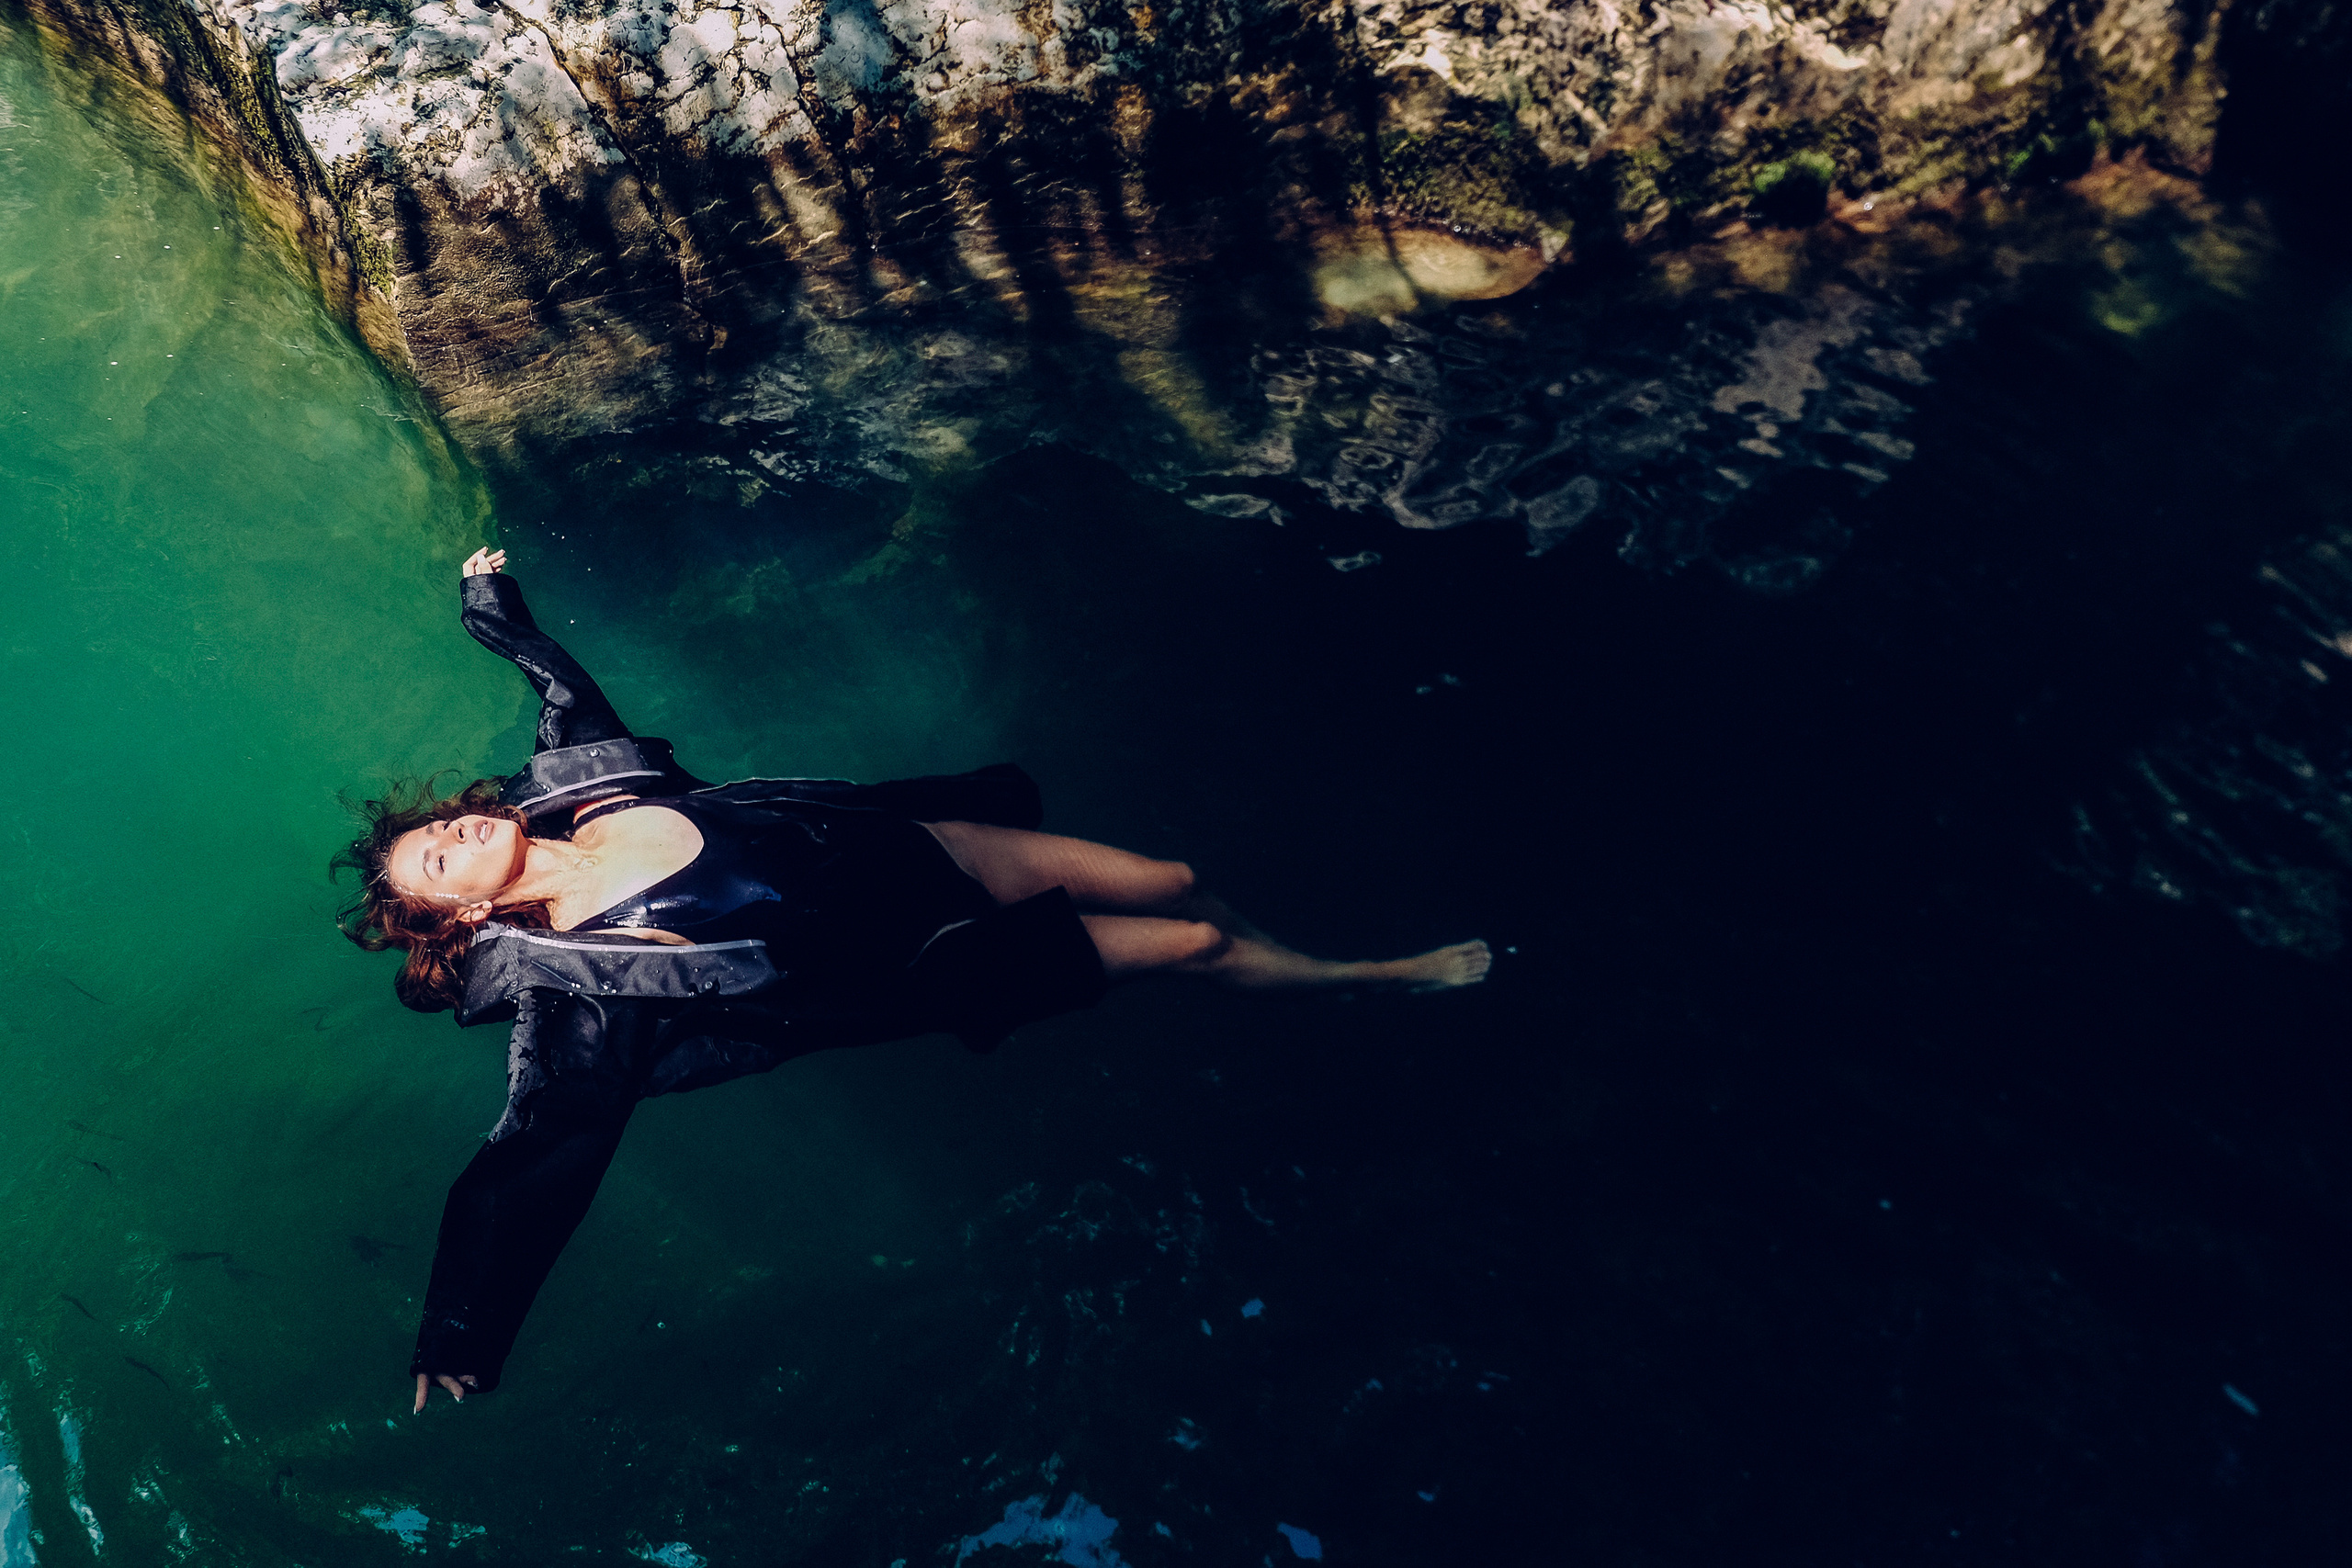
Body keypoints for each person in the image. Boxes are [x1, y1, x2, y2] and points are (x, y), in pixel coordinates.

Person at [337, 548, 1490, 1412]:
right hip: (932, 958)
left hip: (932, 853)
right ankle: (1362, 975)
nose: (449, 836)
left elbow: (563, 692)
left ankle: (1282, 944)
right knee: (1188, 948)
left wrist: (495, 612)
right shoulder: (586, 984)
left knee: (1175, 879)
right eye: (436, 866)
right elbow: (540, 1141)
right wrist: (464, 1319)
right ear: (470, 913)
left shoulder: (575, 789)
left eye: (438, 827)